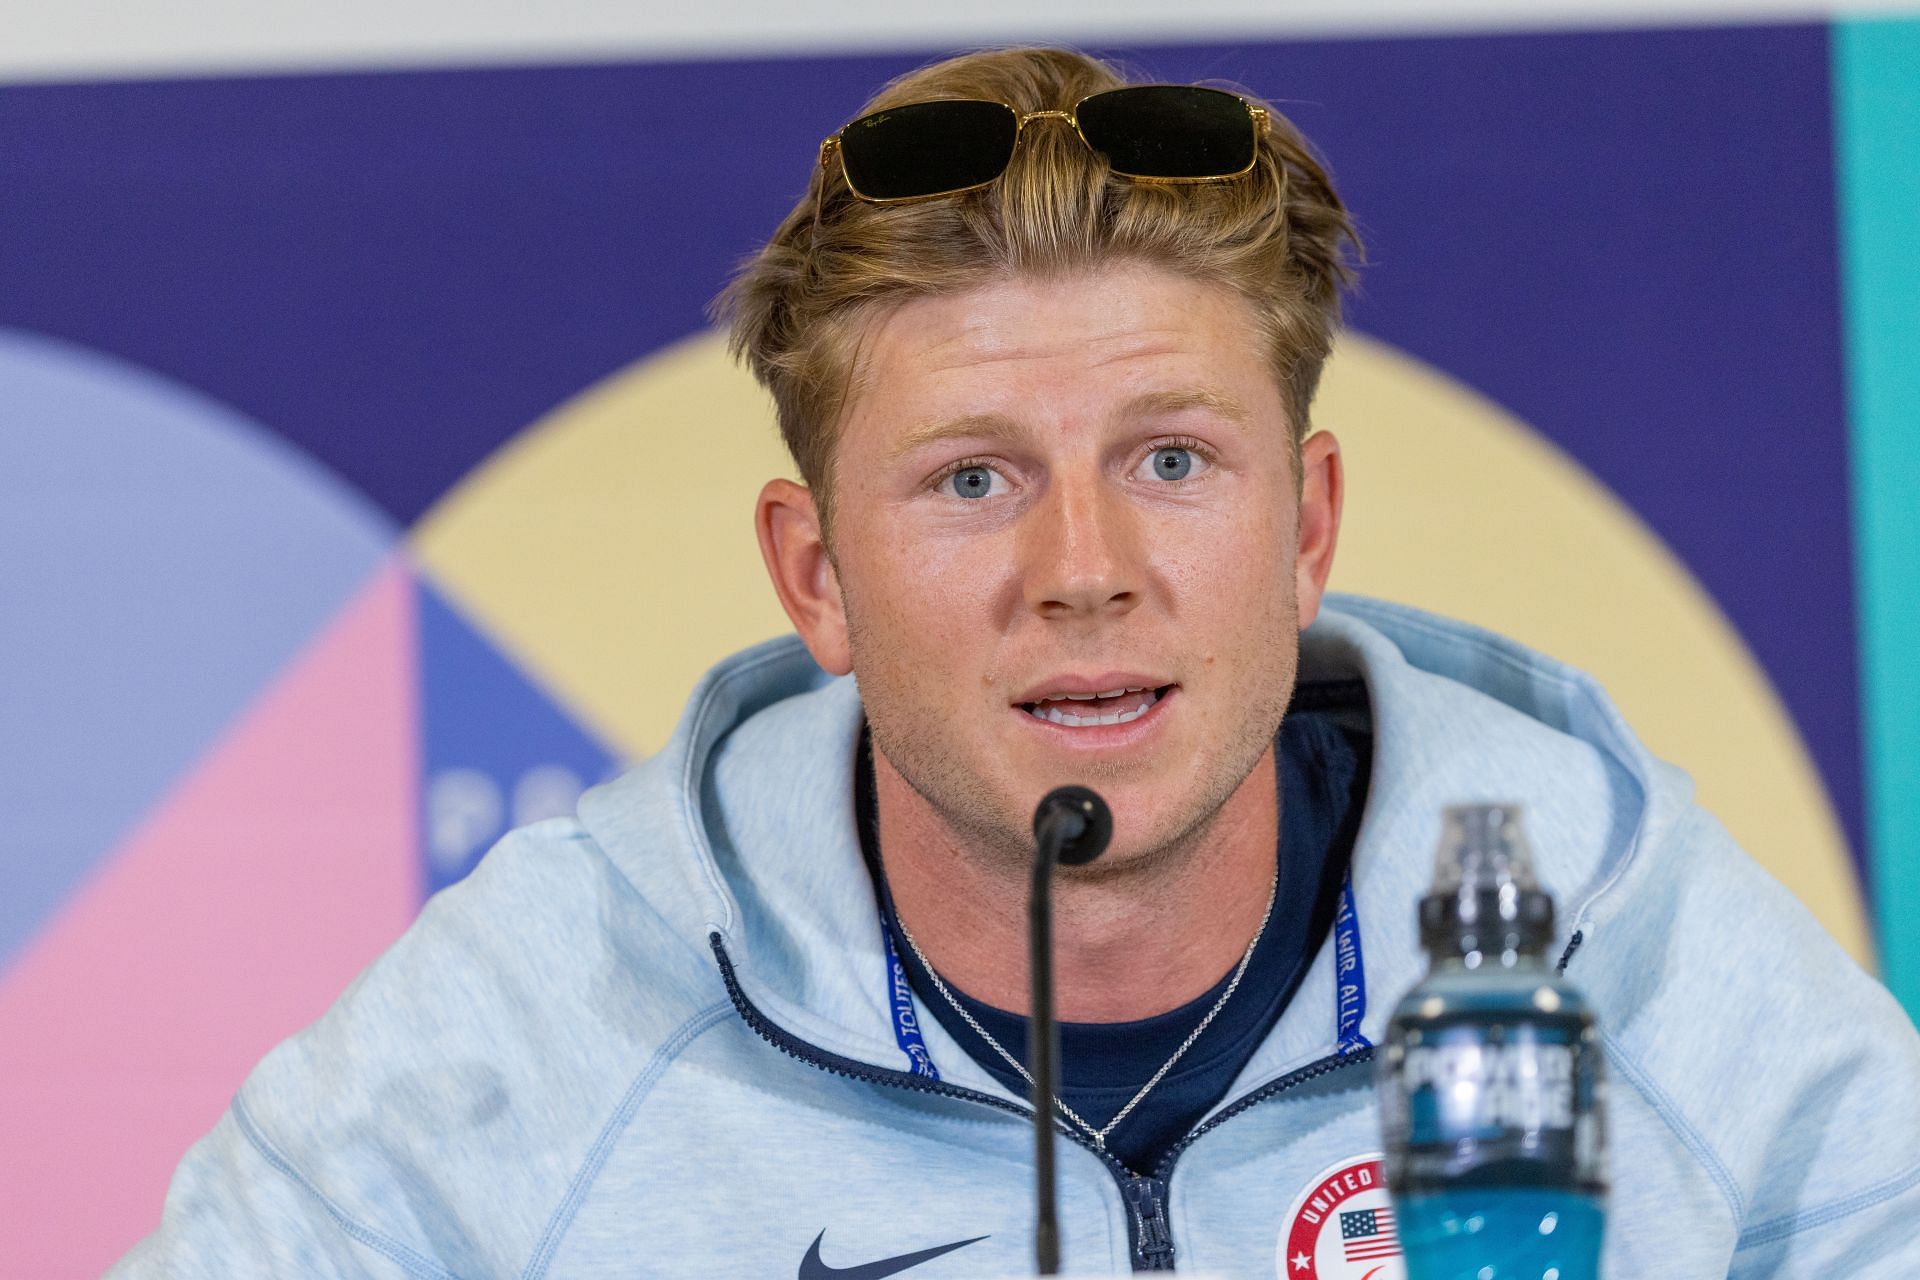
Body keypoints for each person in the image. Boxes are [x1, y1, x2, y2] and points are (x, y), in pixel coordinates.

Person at [114, 47, 1920, 1278]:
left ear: (1304, 532)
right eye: (976, 478)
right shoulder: (538, 1020)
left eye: (1172, 461)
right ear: (815, 577)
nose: (1086, 574)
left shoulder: (1639, 957)